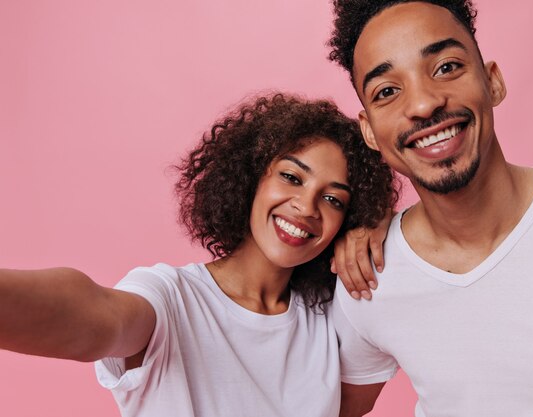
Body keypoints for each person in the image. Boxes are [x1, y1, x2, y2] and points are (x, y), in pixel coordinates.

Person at [0, 93, 396, 417]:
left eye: (333, 199)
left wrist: (381, 225)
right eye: (291, 177)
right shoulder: (171, 298)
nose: (307, 207)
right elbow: (95, 312)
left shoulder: (333, 319)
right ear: (251, 176)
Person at [326, 1, 533, 416]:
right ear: (370, 132)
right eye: (388, 92)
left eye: (446, 67)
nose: (424, 105)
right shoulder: (368, 275)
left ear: (493, 82)